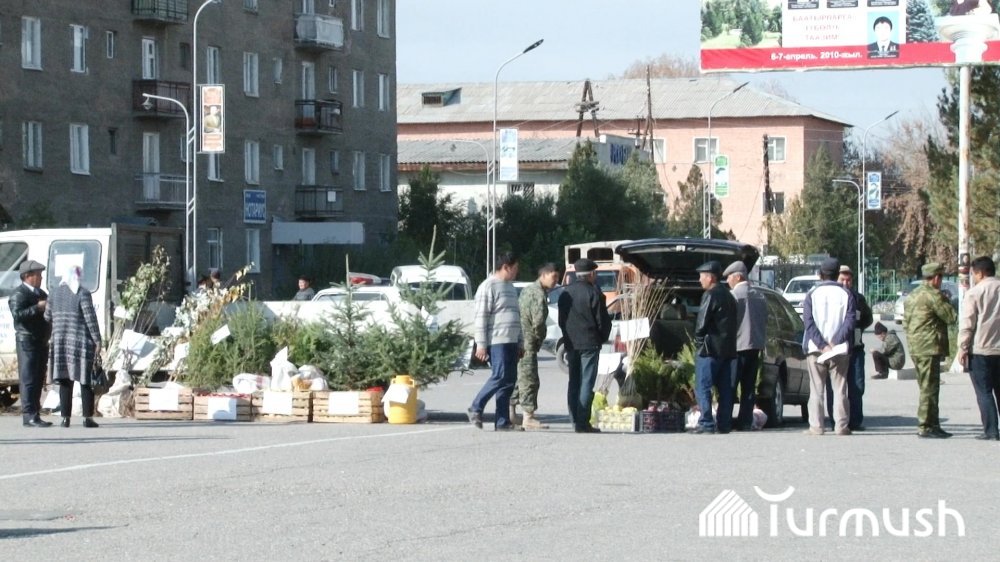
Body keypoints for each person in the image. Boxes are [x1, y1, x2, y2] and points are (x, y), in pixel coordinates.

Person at [903, 262, 958, 439]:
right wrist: (947, 300)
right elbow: (951, 317)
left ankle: (933, 424)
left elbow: (905, 322)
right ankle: (925, 425)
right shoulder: (934, 295)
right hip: (929, 347)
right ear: (936, 278)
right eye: (940, 277)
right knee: (929, 388)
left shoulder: (913, 295)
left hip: (916, 347)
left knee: (927, 386)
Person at [468, 252, 522, 431]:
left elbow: (516, 316)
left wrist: (520, 342)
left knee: (509, 380)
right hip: (497, 341)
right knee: (500, 376)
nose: (516, 272)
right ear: (505, 267)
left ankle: (502, 421)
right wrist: (481, 344)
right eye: (515, 268)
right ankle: (476, 407)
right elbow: (481, 317)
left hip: (511, 341)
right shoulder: (488, 286)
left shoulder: (511, 288)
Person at [802, 258, 856, 436]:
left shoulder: (812, 294)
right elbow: (850, 321)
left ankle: (816, 427)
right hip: (839, 350)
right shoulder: (846, 294)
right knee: (840, 389)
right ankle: (841, 426)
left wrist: (822, 345)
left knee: (816, 389)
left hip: (815, 350)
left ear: (820, 275)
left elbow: (808, 322)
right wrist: (835, 341)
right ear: (837, 274)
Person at [45, 265, 103, 428]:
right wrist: (98, 340)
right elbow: (90, 318)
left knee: (65, 380)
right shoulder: (82, 293)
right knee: (85, 380)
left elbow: (47, 316)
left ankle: (65, 419)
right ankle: (87, 418)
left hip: (60, 343)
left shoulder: (53, 293)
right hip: (81, 343)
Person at [558, 258, 611, 433]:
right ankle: (583, 422)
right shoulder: (594, 293)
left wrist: (568, 337)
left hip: (571, 343)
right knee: (586, 382)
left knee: (574, 381)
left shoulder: (565, 293)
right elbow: (602, 321)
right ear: (592, 274)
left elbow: (561, 321)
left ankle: (574, 419)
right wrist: (601, 338)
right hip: (590, 343)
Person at [511, 262, 560, 430]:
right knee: (530, 380)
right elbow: (538, 322)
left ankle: (511, 413)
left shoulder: (527, 290)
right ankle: (528, 417)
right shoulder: (539, 294)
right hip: (528, 343)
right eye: (554, 277)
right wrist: (539, 338)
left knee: (519, 378)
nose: (555, 281)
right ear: (544, 275)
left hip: (519, 340)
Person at [956, 256, 1000, 441]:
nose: (973, 277)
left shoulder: (974, 293)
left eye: (974, 274)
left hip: (981, 350)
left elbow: (968, 323)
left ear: (980, 273)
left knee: (984, 392)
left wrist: (962, 348)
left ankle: (991, 431)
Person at [692, 261, 738, 434]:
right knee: (725, 389)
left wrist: (698, 343)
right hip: (728, 350)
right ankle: (724, 423)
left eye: (701, 276)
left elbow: (701, 323)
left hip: (709, 350)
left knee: (703, 386)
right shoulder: (730, 296)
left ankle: (706, 422)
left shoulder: (710, 295)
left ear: (710, 278)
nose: (699, 280)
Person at [825, 265, 873, 431]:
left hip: (855, 349)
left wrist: (857, 330)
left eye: (848, 280)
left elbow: (867, 318)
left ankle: (855, 421)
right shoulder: (831, 297)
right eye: (842, 279)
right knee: (835, 387)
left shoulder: (858, 298)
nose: (845, 283)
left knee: (857, 385)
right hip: (835, 349)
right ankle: (835, 421)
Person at [723, 261, 767, 431]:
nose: (727, 281)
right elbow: (765, 320)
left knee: (730, 385)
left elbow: (727, 323)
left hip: (737, 346)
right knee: (749, 387)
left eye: (729, 277)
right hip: (755, 346)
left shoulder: (733, 296)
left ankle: (726, 420)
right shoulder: (760, 296)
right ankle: (745, 421)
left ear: (738, 277)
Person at [9, 260, 53, 427]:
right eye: (38, 275)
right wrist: (37, 308)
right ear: (27, 276)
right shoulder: (19, 294)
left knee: (38, 378)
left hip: (41, 341)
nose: (41, 278)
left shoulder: (41, 293)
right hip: (27, 340)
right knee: (28, 379)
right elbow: (18, 315)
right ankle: (29, 415)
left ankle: (35, 413)